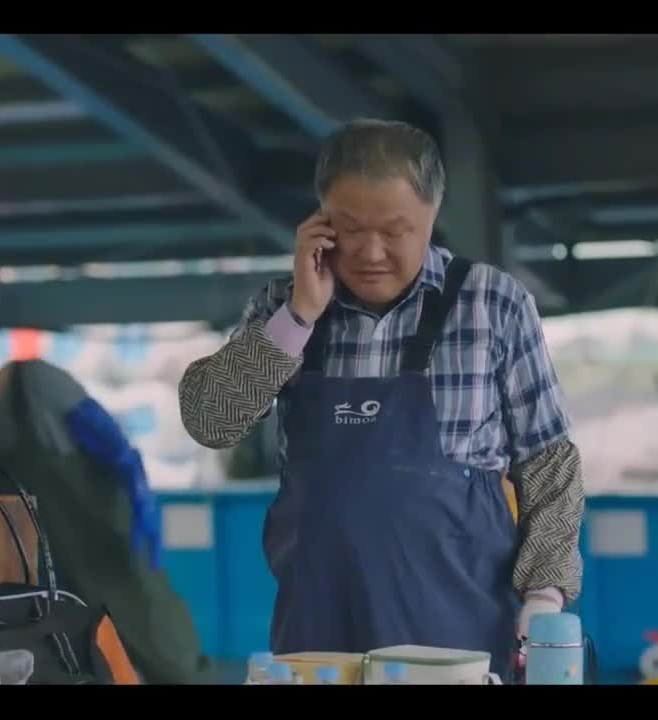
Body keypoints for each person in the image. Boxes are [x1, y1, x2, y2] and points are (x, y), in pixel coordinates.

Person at [177, 119, 583, 678]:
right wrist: (299, 316)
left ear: (432, 215)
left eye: (395, 231)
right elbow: (210, 422)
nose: (371, 252)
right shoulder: (283, 307)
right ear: (319, 220)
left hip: (459, 647)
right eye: (349, 229)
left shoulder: (493, 304)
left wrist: (544, 596)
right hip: (318, 645)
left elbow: (549, 464)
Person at [0, 346, 210, 684]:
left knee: (153, 631)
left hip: (105, 538)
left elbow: (112, 443)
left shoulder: (34, 382)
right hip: (56, 561)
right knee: (89, 650)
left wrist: (139, 504)